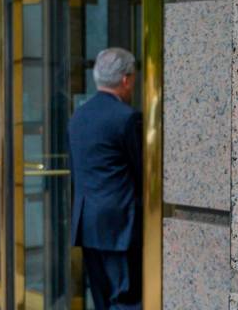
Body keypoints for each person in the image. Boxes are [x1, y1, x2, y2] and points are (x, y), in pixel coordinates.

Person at [69, 48, 144, 310]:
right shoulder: (128, 118)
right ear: (126, 79)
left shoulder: (78, 116)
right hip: (120, 224)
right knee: (126, 299)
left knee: (101, 299)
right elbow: (141, 169)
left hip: (87, 224)